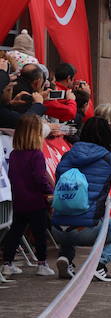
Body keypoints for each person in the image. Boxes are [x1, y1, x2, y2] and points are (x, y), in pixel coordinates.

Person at [51, 117, 111, 282]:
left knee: (70, 206)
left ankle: (65, 257)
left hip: (57, 230)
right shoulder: (105, 158)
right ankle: (98, 263)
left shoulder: (68, 155)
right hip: (85, 231)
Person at [1, 114, 55, 278]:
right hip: (36, 200)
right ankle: (42, 263)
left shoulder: (15, 154)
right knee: (40, 233)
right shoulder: (36, 155)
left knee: (15, 232)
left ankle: (7, 263)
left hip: (19, 200)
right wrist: (49, 191)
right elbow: (40, 178)